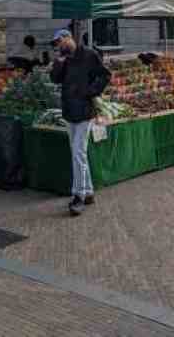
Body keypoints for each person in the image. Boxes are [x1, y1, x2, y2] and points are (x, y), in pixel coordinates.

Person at [50, 33, 111, 216]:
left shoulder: (89, 55)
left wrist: (90, 92)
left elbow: (105, 75)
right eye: (56, 45)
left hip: (85, 112)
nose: (59, 46)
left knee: (78, 153)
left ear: (69, 39)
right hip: (69, 112)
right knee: (78, 154)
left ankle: (78, 195)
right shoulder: (64, 59)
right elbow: (55, 79)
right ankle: (89, 191)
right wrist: (58, 62)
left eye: (60, 42)